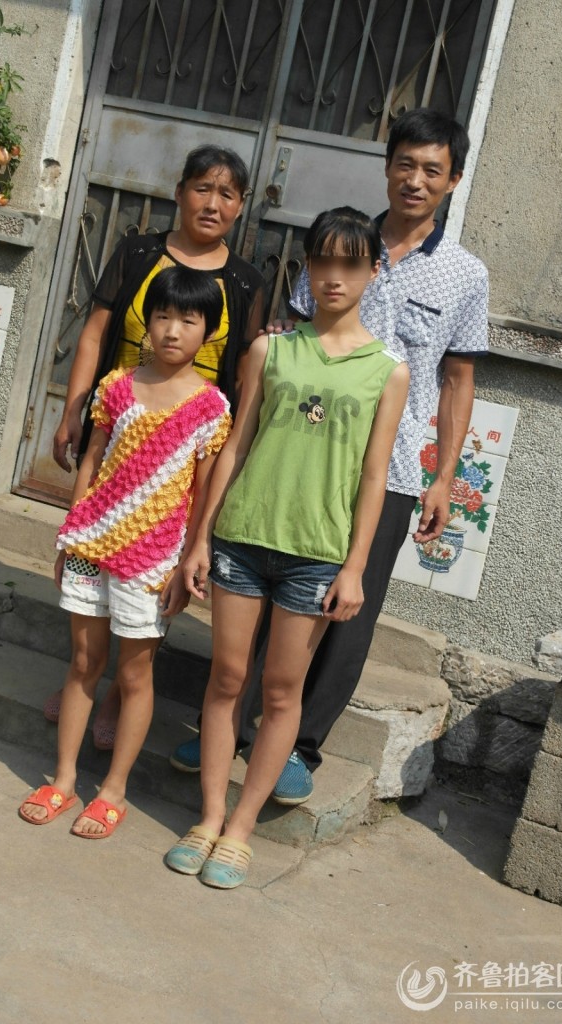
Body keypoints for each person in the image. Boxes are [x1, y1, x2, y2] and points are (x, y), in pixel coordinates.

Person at [169, 108, 489, 804]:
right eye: (404, 164)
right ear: (387, 167)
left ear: (453, 180)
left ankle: (299, 746)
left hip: (388, 470)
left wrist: (442, 476)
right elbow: (292, 333)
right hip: (299, 456)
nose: (415, 179)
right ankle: (229, 728)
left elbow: (457, 380)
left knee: (343, 612)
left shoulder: (465, 276)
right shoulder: (341, 242)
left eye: (431, 169)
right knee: (263, 592)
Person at [164, 208, 409, 886]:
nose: (334, 277)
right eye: (322, 261)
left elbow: (374, 476)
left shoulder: (388, 371)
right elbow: (235, 446)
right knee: (226, 680)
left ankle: (241, 829)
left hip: (316, 554)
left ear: (372, 271)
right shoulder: (270, 350)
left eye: (350, 264)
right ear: (306, 266)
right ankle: (209, 817)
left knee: (280, 692)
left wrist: (355, 568)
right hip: (242, 539)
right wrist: (200, 539)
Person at [44, 144, 265, 746]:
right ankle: (84, 676)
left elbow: (246, 370)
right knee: (97, 547)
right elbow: (94, 334)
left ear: (241, 206)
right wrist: (73, 409)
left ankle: (120, 693)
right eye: (202, 189)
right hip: (120, 419)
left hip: (188, 445)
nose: (212, 203)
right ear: (180, 191)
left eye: (226, 194)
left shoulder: (246, 281)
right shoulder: (138, 252)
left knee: (156, 563)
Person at [19, 267, 232, 837]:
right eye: (162, 316)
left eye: (188, 320)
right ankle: (64, 779)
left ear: (209, 331)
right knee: (83, 663)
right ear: (147, 322)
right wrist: (71, 533)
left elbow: (204, 492)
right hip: (91, 543)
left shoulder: (211, 408)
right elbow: (91, 460)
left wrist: (190, 559)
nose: (172, 330)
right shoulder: (116, 385)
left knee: (135, 676)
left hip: (154, 562)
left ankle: (113, 791)